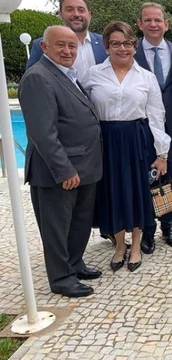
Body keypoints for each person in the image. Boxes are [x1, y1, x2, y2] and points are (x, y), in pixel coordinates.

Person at [79, 21, 170, 273]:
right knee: (111, 192)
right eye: (116, 43)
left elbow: (156, 115)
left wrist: (162, 154)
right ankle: (120, 245)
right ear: (107, 46)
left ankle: (137, 245)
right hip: (105, 140)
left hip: (137, 139)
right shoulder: (92, 75)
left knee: (138, 192)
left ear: (135, 45)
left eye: (128, 43)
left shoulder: (146, 77)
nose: (122, 48)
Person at [19, 25, 103, 297]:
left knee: (78, 222)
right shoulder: (38, 77)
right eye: (60, 45)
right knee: (57, 227)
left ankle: (75, 263)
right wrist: (64, 169)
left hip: (84, 167)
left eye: (72, 46)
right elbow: (43, 132)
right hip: (59, 171)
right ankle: (61, 278)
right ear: (44, 47)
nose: (67, 51)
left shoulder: (66, 75)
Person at [134, 3, 172, 253]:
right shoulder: (131, 53)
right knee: (144, 176)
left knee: (169, 175)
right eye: (148, 20)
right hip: (142, 126)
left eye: (158, 20)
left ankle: (168, 224)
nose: (153, 24)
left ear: (166, 24)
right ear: (140, 24)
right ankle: (147, 229)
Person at [27, 0, 107, 71]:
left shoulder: (105, 43)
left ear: (89, 15)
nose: (76, 14)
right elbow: (32, 79)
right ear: (60, 14)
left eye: (81, 10)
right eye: (70, 10)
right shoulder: (43, 45)